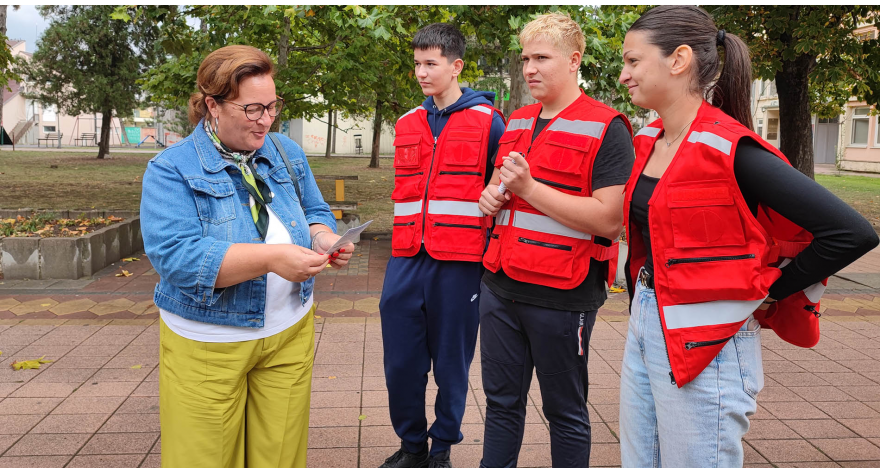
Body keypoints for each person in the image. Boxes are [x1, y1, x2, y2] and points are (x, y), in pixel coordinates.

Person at [617, 6, 879, 468]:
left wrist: (767, 291)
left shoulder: (729, 149)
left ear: (678, 60)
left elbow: (850, 232)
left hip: (710, 344)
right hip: (646, 318)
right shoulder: (650, 141)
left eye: (633, 61)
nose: (624, 75)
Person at [141, 45, 354, 468]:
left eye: (272, 107)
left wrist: (325, 237)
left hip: (290, 330)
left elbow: (312, 210)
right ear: (212, 106)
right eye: (253, 109)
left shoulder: (284, 151)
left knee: (279, 458)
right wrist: (271, 259)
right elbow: (178, 259)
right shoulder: (171, 168)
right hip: (210, 342)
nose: (266, 120)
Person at [477, 13, 634, 468]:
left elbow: (610, 221)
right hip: (501, 286)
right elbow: (498, 187)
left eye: (541, 57)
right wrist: (492, 195)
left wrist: (528, 189)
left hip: (563, 295)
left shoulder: (608, 126)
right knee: (502, 405)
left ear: (574, 60)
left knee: (564, 411)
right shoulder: (519, 120)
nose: (530, 68)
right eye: (526, 58)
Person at [378, 23, 506, 469]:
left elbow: (502, 188)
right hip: (406, 260)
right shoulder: (406, 123)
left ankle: (441, 449)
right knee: (400, 364)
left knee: (452, 365)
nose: (421, 72)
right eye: (417, 63)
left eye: (431, 63)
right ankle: (411, 445)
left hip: (460, 264)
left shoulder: (489, 120)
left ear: (456, 66)